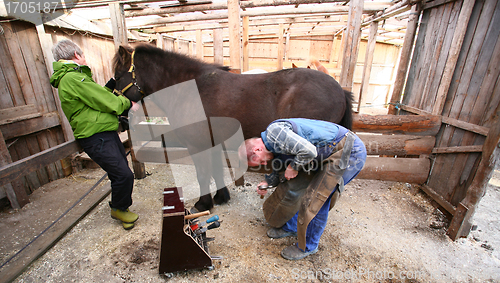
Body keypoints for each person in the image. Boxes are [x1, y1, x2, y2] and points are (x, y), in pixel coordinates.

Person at [239, 118, 366, 260]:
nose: (265, 163)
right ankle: (291, 227)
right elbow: (279, 167)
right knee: (296, 186)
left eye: (261, 161)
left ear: (257, 149)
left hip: (348, 152)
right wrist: (266, 183)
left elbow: (309, 151)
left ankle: (308, 246)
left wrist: (293, 167)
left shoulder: (276, 133)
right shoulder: (272, 144)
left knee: (317, 199)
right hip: (326, 153)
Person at [50, 39, 140, 230]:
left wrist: (112, 84)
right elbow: (104, 100)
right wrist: (127, 104)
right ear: (76, 55)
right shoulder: (72, 78)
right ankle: (119, 208)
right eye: (82, 55)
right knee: (123, 174)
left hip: (103, 131)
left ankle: (120, 207)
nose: (84, 58)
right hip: (96, 136)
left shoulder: (74, 78)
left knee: (121, 171)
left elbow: (93, 98)